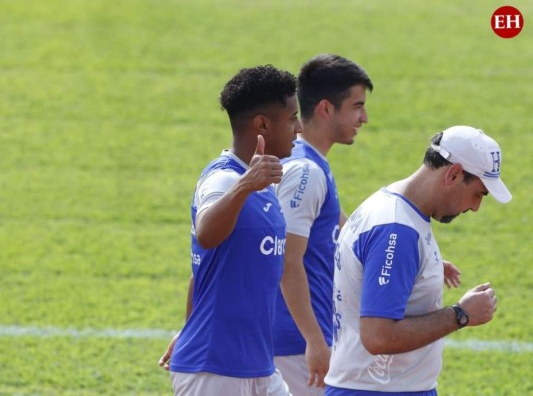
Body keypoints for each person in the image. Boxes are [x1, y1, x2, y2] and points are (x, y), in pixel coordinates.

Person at [325, 125, 512, 395]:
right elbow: (378, 336)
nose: (475, 207)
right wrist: (461, 314)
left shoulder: (392, 204)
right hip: (376, 390)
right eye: (478, 194)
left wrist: (422, 268)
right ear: (454, 173)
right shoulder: (396, 230)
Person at [162, 64, 301, 396]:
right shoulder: (225, 178)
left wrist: (188, 327)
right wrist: (243, 187)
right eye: (293, 118)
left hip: (258, 366)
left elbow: (203, 271)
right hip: (216, 370)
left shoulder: (261, 181)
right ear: (262, 125)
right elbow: (207, 234)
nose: (299, 128)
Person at [272, 54, 373, 396]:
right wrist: (314, 341)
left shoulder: (310, 162)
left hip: (297, 338)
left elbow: (342, 228)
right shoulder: (306, 172)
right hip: (295, 343)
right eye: (357, 106)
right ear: (326, 109)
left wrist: (416, 255)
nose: (365, 118)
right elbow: (286, 260)